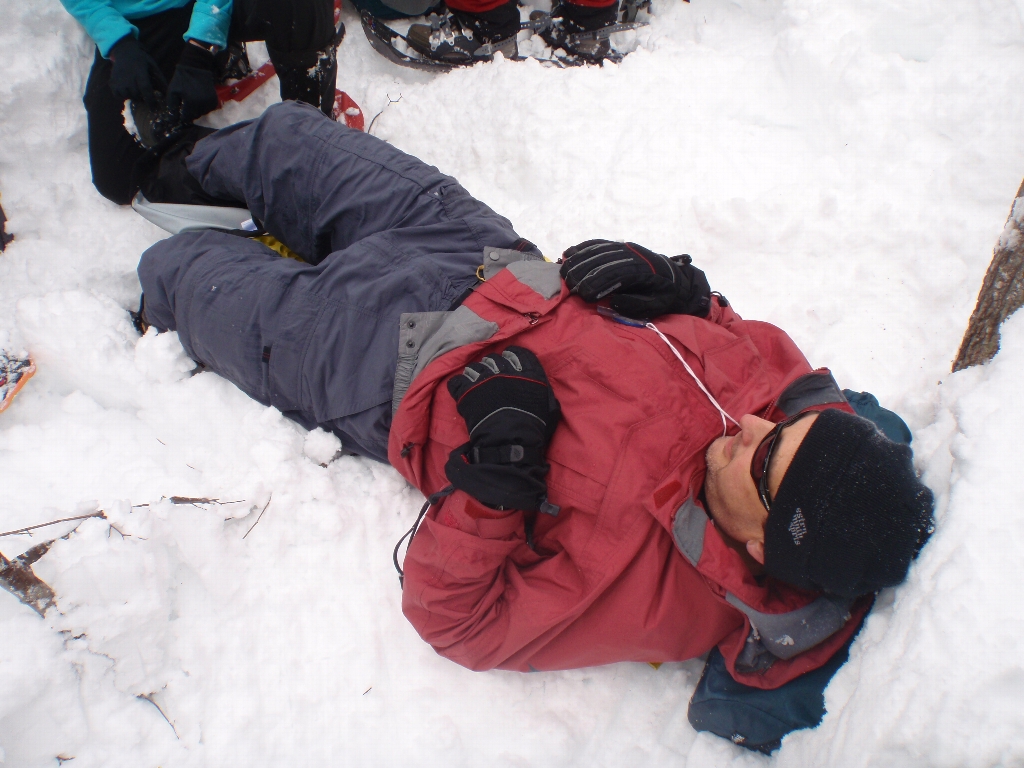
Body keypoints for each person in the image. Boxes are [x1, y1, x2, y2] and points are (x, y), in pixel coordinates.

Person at [134, 101, 935, 752]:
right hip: (484, 255)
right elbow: (743, 340)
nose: (752, 428)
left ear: (763, 546)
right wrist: (675, 285)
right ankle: (161, 161)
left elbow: (460, 624)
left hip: (380, 361)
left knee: (182, 273)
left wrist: (498, 478)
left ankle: (199, 254)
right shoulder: (785, 412)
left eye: (765, 463)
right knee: (288, 139)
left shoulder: (657, 596)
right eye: (781, 428)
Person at [59, 0, 340, 205]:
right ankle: (252, 172)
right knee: (117, 175)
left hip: (209, 4)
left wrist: (201, 47)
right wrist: (119, 43)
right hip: (137, 27)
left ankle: (313, 133)